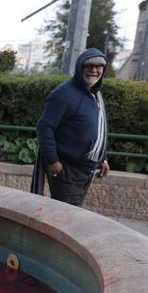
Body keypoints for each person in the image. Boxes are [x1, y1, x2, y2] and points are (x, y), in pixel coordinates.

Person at [32, 48, 111, 206]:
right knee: (65, 216)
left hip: (86, 170)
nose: (94, 70)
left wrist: (103, 158)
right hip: (68, 170)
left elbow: (99, 128)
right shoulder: (63, 93)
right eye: (89, 66)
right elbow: (44, 127)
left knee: (69, 214)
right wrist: (53, 161)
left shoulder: (95, 94)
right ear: (80, 67)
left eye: (99, 66)